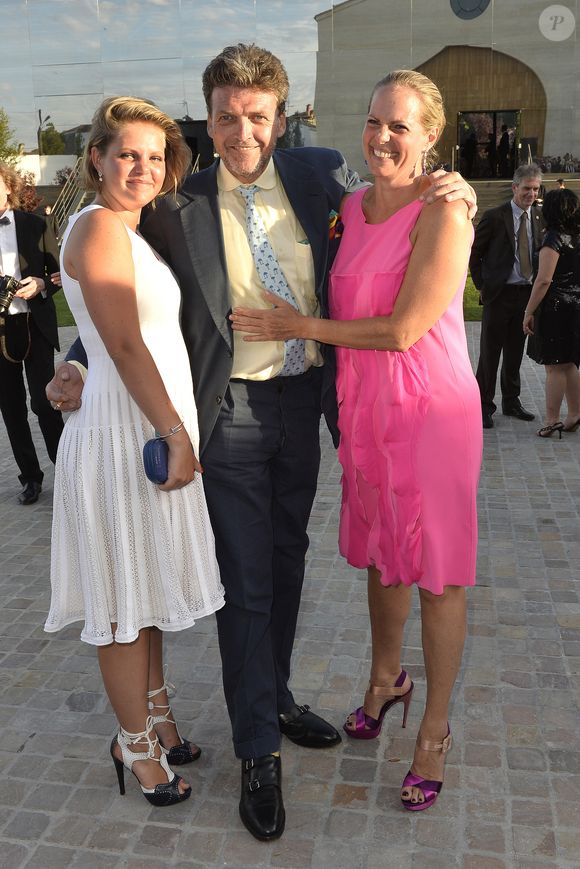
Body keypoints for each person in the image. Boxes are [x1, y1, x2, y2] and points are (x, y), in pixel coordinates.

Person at [46, 44, 476, 840]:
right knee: (245, 577)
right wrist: (75, 363)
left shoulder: (323, 180)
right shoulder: (181, 204)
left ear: (282, 117)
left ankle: (272, 695)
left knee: (285, 561)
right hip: (231, 410)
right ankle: (256, 753)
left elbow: (397, 204)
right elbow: (135, 295)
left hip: (309, 400)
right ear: (205, 119)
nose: (240, 131)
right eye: (224, 116)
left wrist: (445, 186)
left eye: (256, 115)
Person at [231, 68, 480, 813]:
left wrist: (298, 327)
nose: (381, 138)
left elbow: (404, 329)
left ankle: (433, 729)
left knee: (436, 572)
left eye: (400, 126)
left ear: (431, 135)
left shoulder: (445, 212)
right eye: (374, 122)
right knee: (381, 552)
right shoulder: (346, 204)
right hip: (366, 411)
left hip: (430, 413)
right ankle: (384, 680)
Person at [44, 97, 225, 807]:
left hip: (137, 431)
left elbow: (95, 337)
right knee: (123, 606)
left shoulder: (128, 230)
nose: (143, 167)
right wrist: (176, 433)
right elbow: (122, 341)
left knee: (143, 593)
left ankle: (157, 718)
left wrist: (74, 367)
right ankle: (137, 746)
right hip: (126, 442)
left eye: (156, 155)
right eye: (128, 153)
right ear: (96, 157)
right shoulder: (96, 227)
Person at [0, 161, 64, 505]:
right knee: (11, 408)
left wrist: (40, 283)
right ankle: (30, 478)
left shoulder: (36, 224)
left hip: (33, 325)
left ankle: (67, 470)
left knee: (44, 402)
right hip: (0, 328)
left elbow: (57, 275)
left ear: (7, 187)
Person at [471, 164, 545, 428]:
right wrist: (482, 284)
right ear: (514, 188)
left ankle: (511, 401)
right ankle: (483, 405)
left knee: (515, 351)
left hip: (526, 295)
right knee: (490, 353)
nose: (531, 193)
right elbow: (475, 253)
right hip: (499, 295)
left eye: (535, 189)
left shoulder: (539, 217)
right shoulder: (494, 216)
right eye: (527, 188)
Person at [523, 188, 580, 437]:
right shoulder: (576, 236)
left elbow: (543, 280)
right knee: (569, 364)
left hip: (556, 306)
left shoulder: (554, 238)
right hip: (575, 304)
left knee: (554, 366)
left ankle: (552, 419)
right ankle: (575, 413)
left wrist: (528, 310)